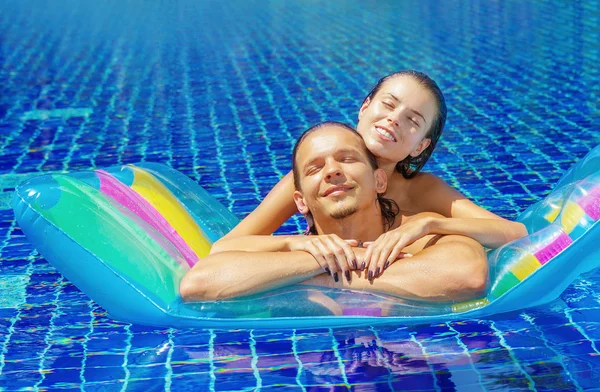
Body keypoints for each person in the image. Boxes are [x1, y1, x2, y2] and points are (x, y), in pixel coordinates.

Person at [219, 70, 527, 280]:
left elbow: (515, 233)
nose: (394, 120)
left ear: (420, 145)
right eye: (388, 105)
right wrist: (296, 245)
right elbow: (229, 247)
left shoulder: (421, 190)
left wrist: (430, 224)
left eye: (412, 120)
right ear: (365, 107)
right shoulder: (318, 178)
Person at [180, 122, 488, 302]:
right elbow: (198, 284)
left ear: (379, 180)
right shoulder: (295, 248)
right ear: (300, 201)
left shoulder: (416, 231)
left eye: (347, 159)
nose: (332, 172)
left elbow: (467, 274)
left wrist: (324, 274)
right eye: (315, 167)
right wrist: (317, 258)